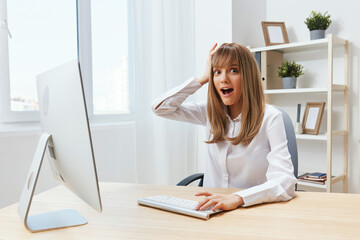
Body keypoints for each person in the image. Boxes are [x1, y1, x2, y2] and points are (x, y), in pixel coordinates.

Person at [151, 43, 297, 212]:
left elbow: (285, 181)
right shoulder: (209, 111)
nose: (224, 79)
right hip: (210, 210)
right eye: (217, 72)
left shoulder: (270, 118)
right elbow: (159, 108)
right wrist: (203, 78)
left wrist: (238, 198)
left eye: (233, 70)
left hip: (250, 209)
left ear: (248, 76)